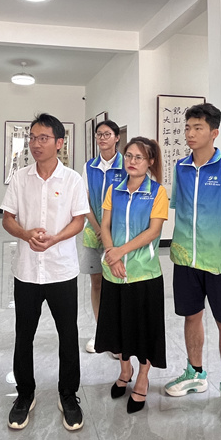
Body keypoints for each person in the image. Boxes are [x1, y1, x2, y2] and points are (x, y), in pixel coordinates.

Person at [1, 114, 89, 432]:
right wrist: (26, 234)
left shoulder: (73, 180)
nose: (36, 144)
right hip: (27, 271)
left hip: (61, 270)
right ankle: (25, 394)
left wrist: (55, 238)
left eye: (43, 138)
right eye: (33, 138)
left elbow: (79, 220)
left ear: (59, 143)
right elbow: (7, 218)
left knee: (68, 334)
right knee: (24, 335)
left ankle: (68, 395)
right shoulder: (20, 178)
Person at [164, 102, 221, 429]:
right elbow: (179, 207)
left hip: (218, 260)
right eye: (187, 127)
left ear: (214, 132)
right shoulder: (181, 167)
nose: (190, 133)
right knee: (191, 316)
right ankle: (195, 373)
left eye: (197, 128)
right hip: (185, 257)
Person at [95, 137, 169, 414]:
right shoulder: (113, 189)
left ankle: (142, 378)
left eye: (139, 157)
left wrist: (120, 252)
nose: (132, 161)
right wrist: (111, 254)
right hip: (114, 273)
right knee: (118, 327)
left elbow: (154, 231)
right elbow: (105, 225)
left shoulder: (157, 192)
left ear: (150, 162)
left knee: (143, 330)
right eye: (128, 156)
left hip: (143, 273)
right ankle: (124, 371)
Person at [80, 119, 127, 354]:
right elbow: (84, 200)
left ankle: (118, 332)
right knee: (97, 282)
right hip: (93, 232)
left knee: (116, 283)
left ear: (117, 138)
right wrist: (98, 227)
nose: (102, 138)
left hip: (119, 234)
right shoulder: (89, 166)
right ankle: (101, 331)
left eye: (107, 134)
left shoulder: (126, 164)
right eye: (99, 134)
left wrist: (108, 230)